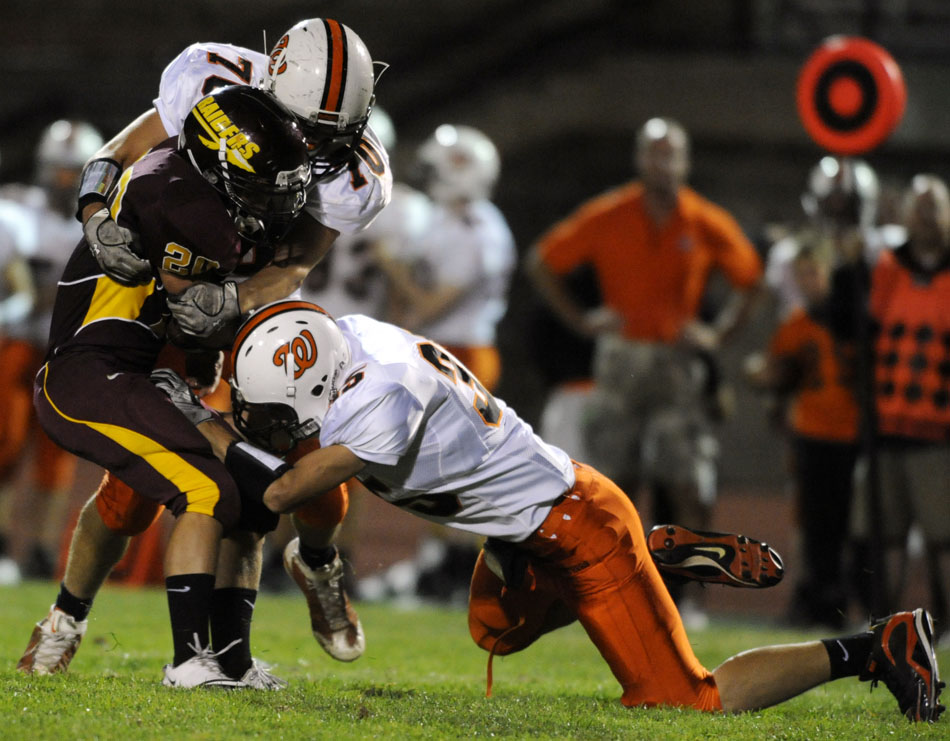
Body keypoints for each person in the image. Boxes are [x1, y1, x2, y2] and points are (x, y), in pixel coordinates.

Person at [155, 300, 941, 721]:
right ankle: (654, 554)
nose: (273, 424)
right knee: (492, 630)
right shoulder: (348, 341)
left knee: (686, 700)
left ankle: (875, 646)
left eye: (278, 411)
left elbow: (281, 491)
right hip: (528, 527)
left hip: (578, 528)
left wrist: (209, 422)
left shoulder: (378, 399)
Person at [19, 18, 391, 677]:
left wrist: (235, 303)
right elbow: (122, 152)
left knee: (307, 458)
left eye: (331, 135)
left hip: (252, 300)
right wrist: (96, 214)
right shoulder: (209, 79)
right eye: (304, 127)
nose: (315, 148)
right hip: (166, 288)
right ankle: (65, 617)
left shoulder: (355, 175)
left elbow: (296, 263)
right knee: (133, 490)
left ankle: (317, 561)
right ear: (270, 85)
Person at [17, 84, 312, 689]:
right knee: (206, 492)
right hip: (90, 371)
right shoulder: (185, 204)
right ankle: (185, 661)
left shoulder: (189, 180)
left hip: (139, 370)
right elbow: (196, 317)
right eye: (258, 182)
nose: (270, 200)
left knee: (247, 500)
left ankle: (231, 659)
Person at [525, 117, 762, 621]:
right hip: (621, 360)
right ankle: (612, 586)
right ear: (640, 160)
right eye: (654, 153)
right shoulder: (612, 213)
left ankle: (692, 596)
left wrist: (717, 334)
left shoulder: (701, 219)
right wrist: (583, 321)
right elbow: (543, 261)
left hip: (677, 366)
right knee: (615, 479)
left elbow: (751, 277)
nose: (663, 163)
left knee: (687, 480)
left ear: (685, 161)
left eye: (671, 153)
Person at [831, 173, 950, 639]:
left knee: (944, 536)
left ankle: (944, 624)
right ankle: (887, 625)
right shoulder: (886, 267)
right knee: (885, 535)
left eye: (934, 204)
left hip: (939, 430)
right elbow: (857, 325)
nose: (925, 214)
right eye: (917, 205)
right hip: (886, 425)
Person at [0, 120, 103, 581]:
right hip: (17, 342)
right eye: (58, 171)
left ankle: (42, 550)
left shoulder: (103, 223)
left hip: (66, 352)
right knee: (4, 442)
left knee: (56, 453)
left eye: (73, 172)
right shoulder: (15, 210)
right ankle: (3, 542)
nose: (64, 181)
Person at [745, 244, 859, 628]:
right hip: (811, 432)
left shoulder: (849, 319)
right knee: (814, 524)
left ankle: (851, 601)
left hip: (852, 433)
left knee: (852, 524)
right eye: (802, 275)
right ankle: (818, 602)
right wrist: (764, 375)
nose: (808, 282)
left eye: (814, 273)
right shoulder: (795, 324)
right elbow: (777, 374)